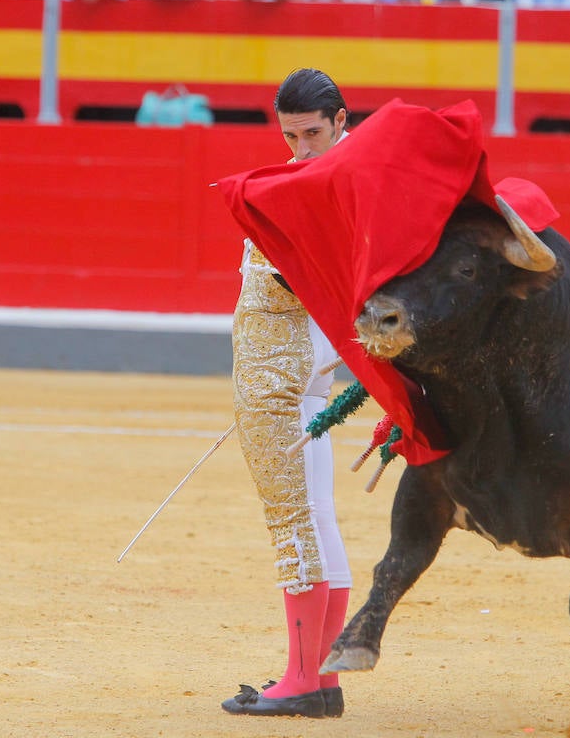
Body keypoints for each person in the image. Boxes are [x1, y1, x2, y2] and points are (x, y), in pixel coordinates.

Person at [221, 67, 352, 720]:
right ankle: (320, 678)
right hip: (300, 384)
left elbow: (321, 284)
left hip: (281, 392)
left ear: (341, 123)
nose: (300, 150)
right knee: (319, 524)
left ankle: (303, 681)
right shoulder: (325, 184)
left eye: (312, 134)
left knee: (295, 531)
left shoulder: (316, 193)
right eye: (290, 137)